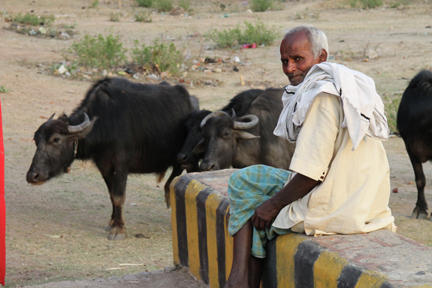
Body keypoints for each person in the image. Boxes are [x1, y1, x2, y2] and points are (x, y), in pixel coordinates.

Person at [224, 26, 396, 288]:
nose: (290, 68)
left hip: (337, 204)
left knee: (247, 188)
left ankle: (238, 279)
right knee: (253, 191)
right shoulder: (347, 85)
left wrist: (272, 205)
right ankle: (244, 279)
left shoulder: (322, 96)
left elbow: (310, 174)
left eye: (297, 59)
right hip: (366, 201)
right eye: (284, 61)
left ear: (321, 57)